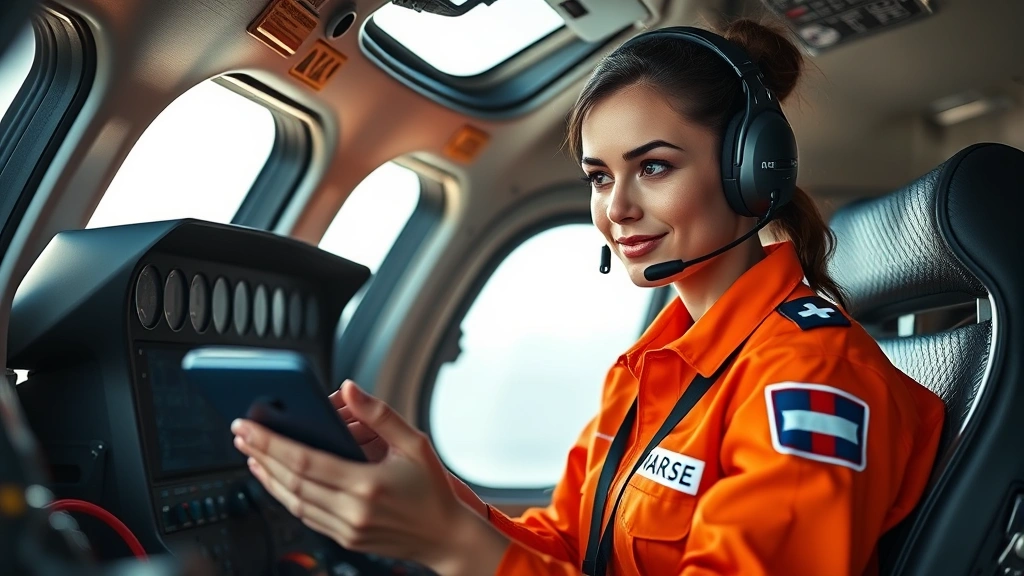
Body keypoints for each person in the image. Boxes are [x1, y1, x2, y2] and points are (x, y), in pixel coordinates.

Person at [230, 18, 946, 576]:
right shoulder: (650, 368)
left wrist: (449, 542)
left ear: (750, 172)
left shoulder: (812, 379)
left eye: (653, 167)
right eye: (600, 177)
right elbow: (573, 546)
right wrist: (440, 498)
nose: (617, 209)